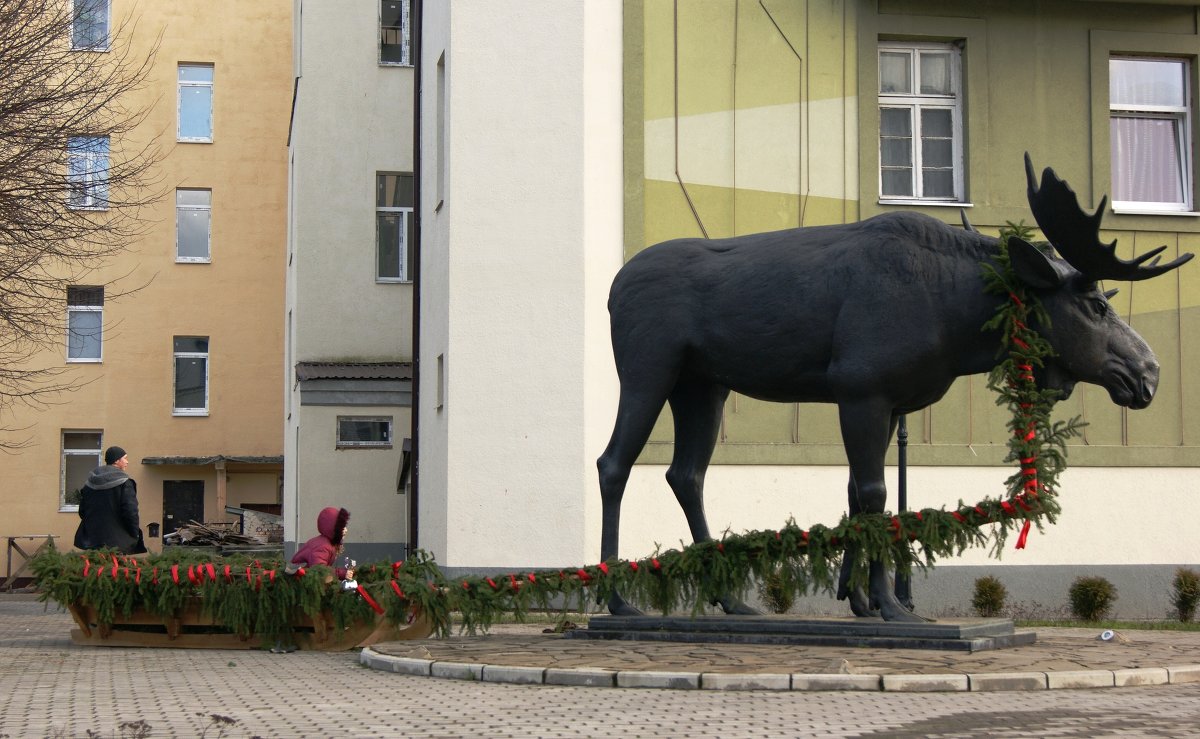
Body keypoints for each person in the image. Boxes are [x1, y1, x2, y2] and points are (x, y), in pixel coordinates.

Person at [73, 446, 147, 554]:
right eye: (125, 458)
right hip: (117, 543)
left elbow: (83, 511)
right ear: (117, 460)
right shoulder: (125, 483)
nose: (127, 461)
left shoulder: (90, 483)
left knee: (93, 569)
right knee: (115, 570)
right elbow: (130, 512)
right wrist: (134, 533)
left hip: (92, 541)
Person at [290, 507, 353, 579]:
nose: (346, 530)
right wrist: (341, 573)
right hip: (299, 582)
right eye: (342, 527)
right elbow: (320, 570)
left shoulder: (327, 543)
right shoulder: (322, 547)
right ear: (332, 528)